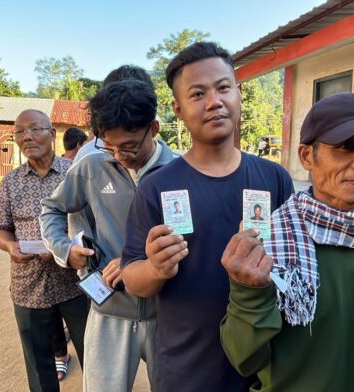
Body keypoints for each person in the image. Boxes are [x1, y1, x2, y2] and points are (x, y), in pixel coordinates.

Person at [120, 42, 294, 392]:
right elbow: (132, 279)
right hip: (186, 372)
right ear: (178, 109)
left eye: (223, 88)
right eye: (197, 93)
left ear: (239, 94)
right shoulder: (157, 187)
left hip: (262, 366)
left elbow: (295, 267)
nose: (214, 102)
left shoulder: (274, 178)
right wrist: (155, 268)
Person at [219, 92, 354, 391]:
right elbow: (244, 359)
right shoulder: (269, 245)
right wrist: (248, 294)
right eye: (345, 147)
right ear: (307, 156)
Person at [41, 73, 178, 391]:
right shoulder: (91, 168)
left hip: (169, 316)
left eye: (129, 147)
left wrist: (138, 264)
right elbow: (51, 208)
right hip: (110, 312)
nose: (119, 156)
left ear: (153, 129)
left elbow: (191, 239)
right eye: (110, 146)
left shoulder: (181, 171)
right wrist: (64, 249)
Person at [0, 109, 89, 392]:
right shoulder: (10, 183)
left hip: (76, 283)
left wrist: (64, 248)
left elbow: (93, 224)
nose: (27, 137)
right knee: (38, 365)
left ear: (52, 133)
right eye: (20, 132)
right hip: (28, 286)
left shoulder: (75, 174)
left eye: (34, 129)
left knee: (93, 356)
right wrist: (10, 246)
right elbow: (1, 229)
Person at [72, 65, 155, 165]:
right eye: (108, 145)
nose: (118, 156)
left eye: (129, 146)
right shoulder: (87, 163)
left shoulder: (175, 168)